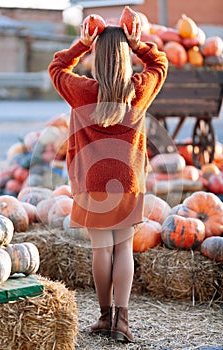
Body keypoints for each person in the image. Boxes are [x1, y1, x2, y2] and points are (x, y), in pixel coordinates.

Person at [48, 16, 168, 343]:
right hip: (128, 183)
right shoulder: (138, 90)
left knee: (101, 251)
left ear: (96, 58)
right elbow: (160, 62)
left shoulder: (82, 91)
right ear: (127, 57)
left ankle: (104, 317)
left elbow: (57, 68)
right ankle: (122, 322)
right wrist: (137, 41)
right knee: (124, 248)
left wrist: (82, 44)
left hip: (92, 184)